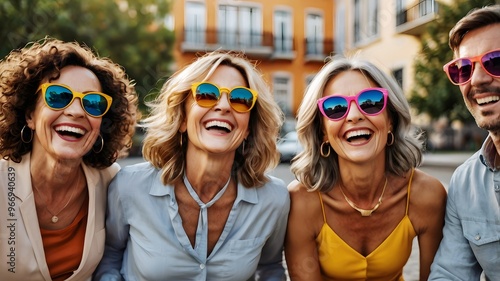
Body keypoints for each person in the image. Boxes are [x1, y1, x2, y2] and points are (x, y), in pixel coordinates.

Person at [93, 51, 289, 281]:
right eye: (207, 94)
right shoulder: (129, 187)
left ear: (248, 128)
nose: (224, 106)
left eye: (240, 99)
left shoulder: (273, 199)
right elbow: (111, 255)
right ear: (183, 118)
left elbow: (270, 267)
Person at [284, 55, 447, 281]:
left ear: (390, 119)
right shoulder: (301, 202)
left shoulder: (426, 195)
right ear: (322, 132)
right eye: (335, 107)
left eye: (371, 102)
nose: (354, 116)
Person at [0, 37, 138, 280]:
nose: (75, 111)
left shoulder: (113, 183)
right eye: (58, 96)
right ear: (30, 115)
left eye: (93, 103)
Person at [429, 5, 500, 280]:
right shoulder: (465, 182)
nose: (478, 80)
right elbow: (451, 273)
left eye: (495, 61)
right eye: (464, 69)